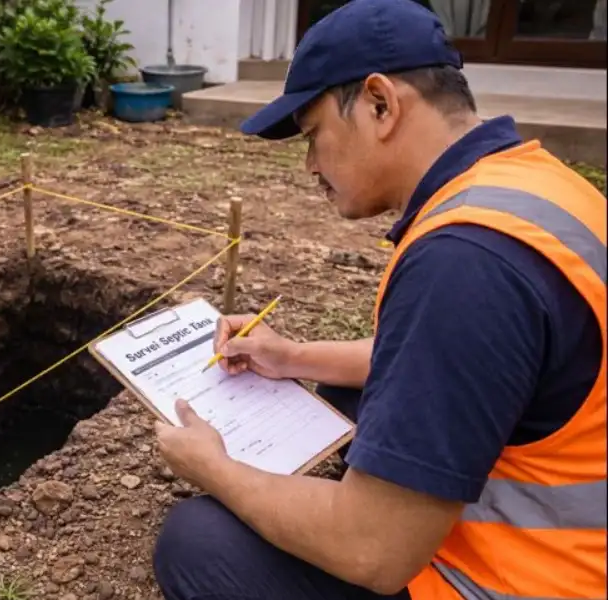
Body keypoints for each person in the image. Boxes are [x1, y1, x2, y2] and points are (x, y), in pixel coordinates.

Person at [150, 0, 607, 599]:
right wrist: (291, 357)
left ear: (380, 104)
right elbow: (462, 361)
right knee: (349, 394)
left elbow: (374, 552)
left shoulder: (464, 261)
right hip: (576, 533)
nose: (310, 166)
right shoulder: (533, 187)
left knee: (198, 542)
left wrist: (214, 467)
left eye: (314, 136)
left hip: (526, 578)